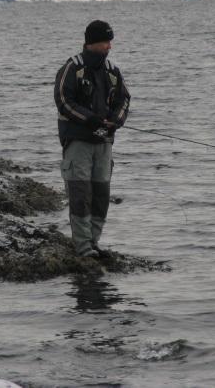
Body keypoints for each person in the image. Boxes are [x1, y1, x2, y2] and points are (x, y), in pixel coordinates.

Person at [54, 20, 130, 258]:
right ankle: (82, 246)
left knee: (101, 195)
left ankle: (93, 242)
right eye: (105, 42)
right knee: (80, 194)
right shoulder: (72, 67)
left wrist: (115, 121)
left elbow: (123, 101)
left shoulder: (112, 71)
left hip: (104, 143)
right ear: (92, 43)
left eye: (110, 42)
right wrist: (90, 119)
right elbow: (63, 101)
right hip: (77, 142)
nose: (109, 46)